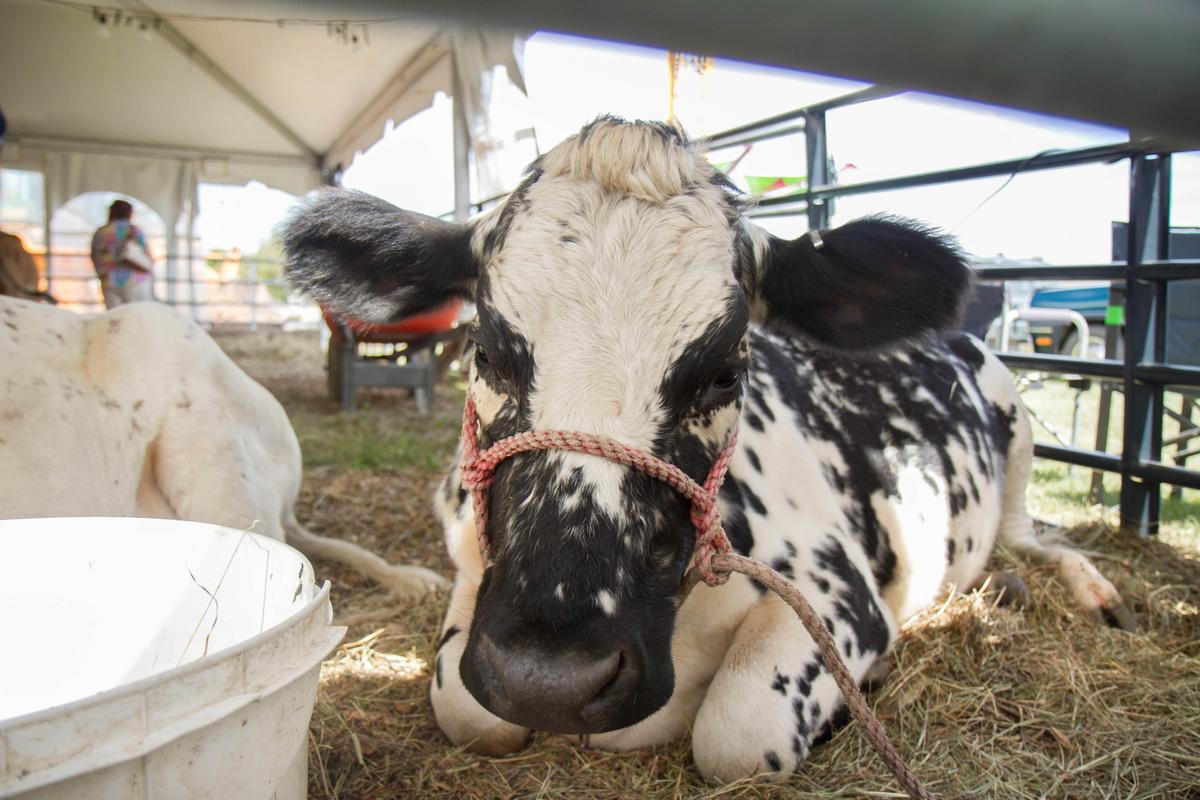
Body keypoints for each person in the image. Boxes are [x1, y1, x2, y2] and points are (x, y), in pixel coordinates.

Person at [90, 199, 155, 308]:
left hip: (109, 282)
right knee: (138, 317)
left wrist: (102, 275)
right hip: (135, 281)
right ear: (129, 213)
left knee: (115, 319)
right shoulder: (133, 230)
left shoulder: (100, 232)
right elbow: (146, 254)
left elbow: (94, 256)